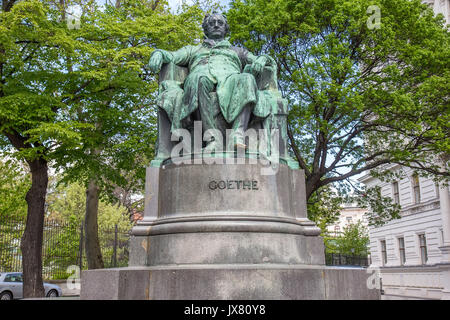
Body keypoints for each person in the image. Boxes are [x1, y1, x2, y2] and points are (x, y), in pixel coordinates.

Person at [149, 12, 275, 150]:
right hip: (200, 78)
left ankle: (237, 135)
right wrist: (158, 53)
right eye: (212, 23)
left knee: (247, 78)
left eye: (220, 23)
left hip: (230, 80)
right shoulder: (193, 49)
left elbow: (257, 59)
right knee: (197, 79)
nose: (216, 25)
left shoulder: (238, 51)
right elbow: (173, 56)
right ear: (205, 28)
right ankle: (212, 139)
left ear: (226, 28)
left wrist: (263, 59)